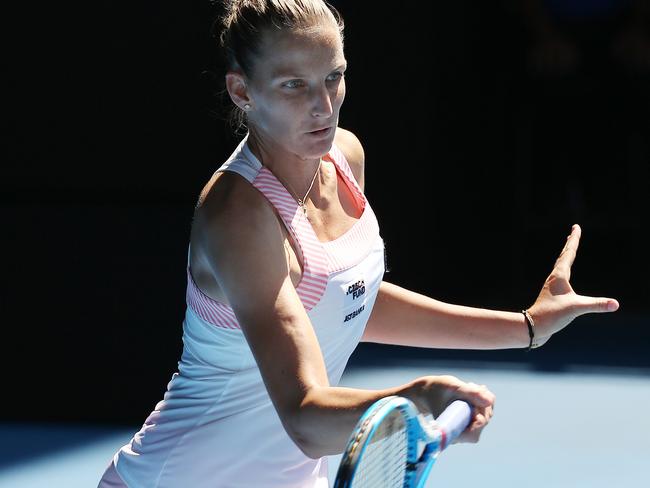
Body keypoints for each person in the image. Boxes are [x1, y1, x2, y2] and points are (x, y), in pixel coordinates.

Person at [98, 1, 619, 487]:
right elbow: (304, 417)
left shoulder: (344, 157)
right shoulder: (240, 215)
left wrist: (524, 328)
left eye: (334, 77)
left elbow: (346, 301)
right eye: (294, 85)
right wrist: (413, 401)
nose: (323, 106)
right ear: (242, 92)